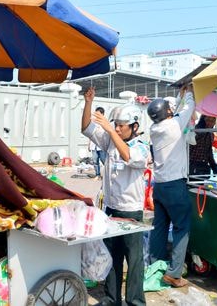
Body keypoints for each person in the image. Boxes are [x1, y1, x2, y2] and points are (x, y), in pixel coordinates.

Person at [81, 86, 149, 306]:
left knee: (135, 260)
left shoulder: (141, 146)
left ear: (134, 126)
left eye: (122, 126)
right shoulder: (110, 141)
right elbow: (86, 128)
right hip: (111, 208)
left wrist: (110, 130)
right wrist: (88, 103)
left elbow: (129, 157)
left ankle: (135, 302)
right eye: (116, 125)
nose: (118, 129)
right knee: (112, 257)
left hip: (131, 211)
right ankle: (112, 299)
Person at [147, 84, 195, 288]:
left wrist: (179, 95)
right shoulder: (174, 125)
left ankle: (155, 264)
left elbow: (174, 113)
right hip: (175, 186)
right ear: (167, 112)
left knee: (159, 226)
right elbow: (188, 108)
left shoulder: (155, 128)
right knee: (182, 227)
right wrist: (190, 93)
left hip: (160, 186)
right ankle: (174, 273)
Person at [189, 115, 217, 180]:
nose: (210, 123)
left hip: (202, 165)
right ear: (203, 120)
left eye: (213, 121)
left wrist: (213, 165)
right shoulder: (195, 130)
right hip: (191, 163)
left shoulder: (211, 134)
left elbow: (209, 151)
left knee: (199, 187)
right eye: (208, 120)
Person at [88, 107, 107, 179]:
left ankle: (107, 174)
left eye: (98, 114)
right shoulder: (93, 123)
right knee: (95, 161)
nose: (96, 115)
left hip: (101, 146)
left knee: (104, 161)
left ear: (102, 114)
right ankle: (97, 174)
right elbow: (90, 134)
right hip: (93, 146)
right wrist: (89, 144)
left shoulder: (104, 123)